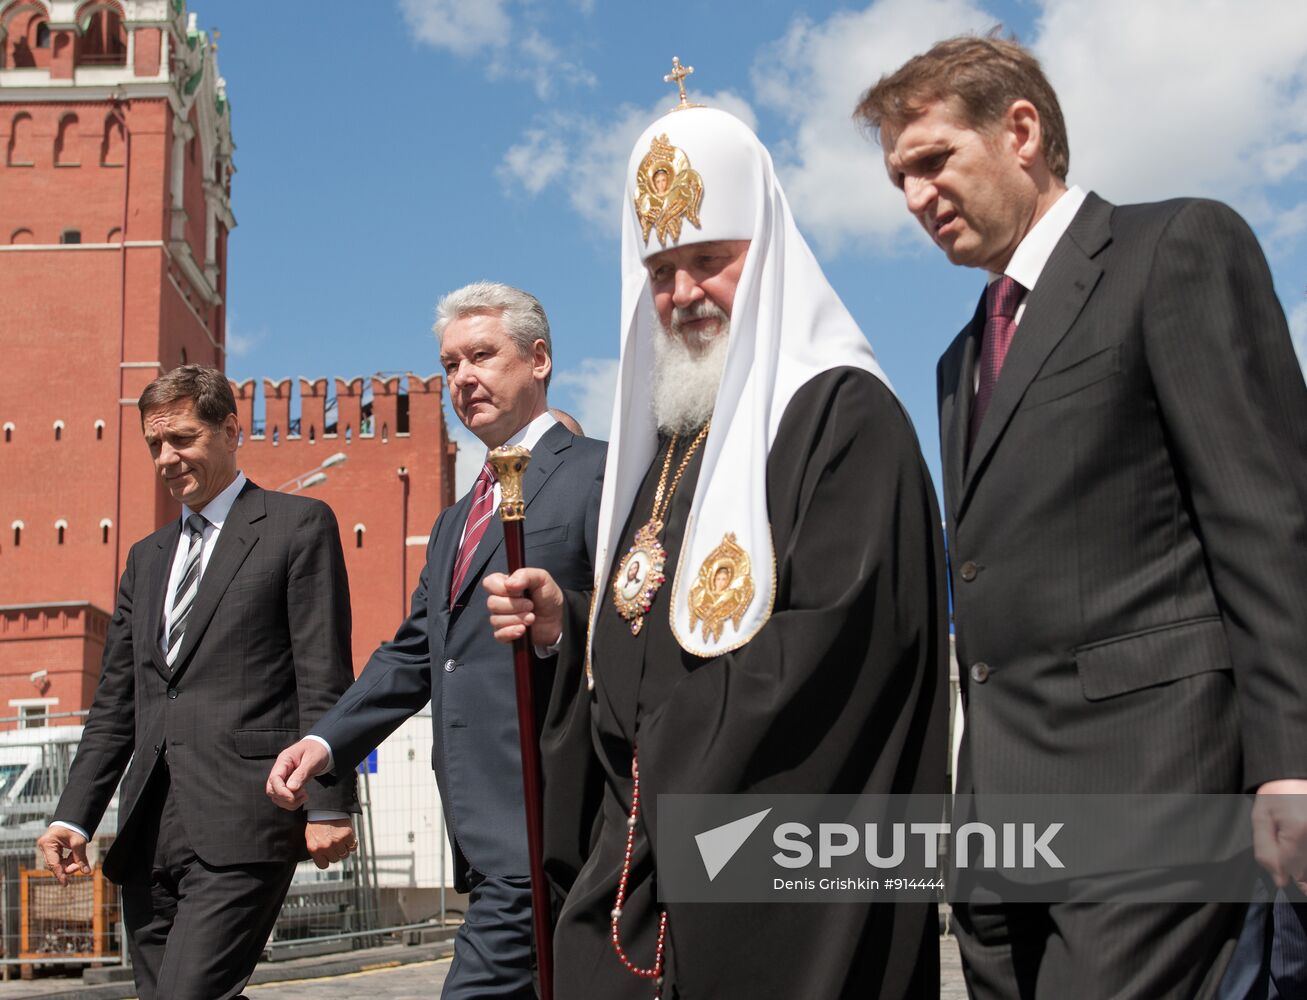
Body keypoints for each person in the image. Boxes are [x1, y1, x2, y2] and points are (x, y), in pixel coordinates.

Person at [856, 33, 1307, 999]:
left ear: (1020, 130)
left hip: (1155, 794)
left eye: (933, 161)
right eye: (899, 178)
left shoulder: (1174, 246)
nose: (914, 199)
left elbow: (1268, 521)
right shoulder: (959, 357)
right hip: (1000, 829)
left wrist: (1291, 765)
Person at [484, 100, 948, 998]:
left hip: (759, 866)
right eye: (660, 271)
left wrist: (663, 736)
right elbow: (661, 610)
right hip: (634, 856)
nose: (682, 293)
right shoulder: (673, 432)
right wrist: (566, 625)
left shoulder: (842, 415)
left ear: (765, 258)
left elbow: (842, 646)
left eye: (708, 262)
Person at [265, 283, 606, 999]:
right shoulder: (454, 523)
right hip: (478, 828)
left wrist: (561, 622)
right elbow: (418, 650)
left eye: (482, 355)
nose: (462, 379)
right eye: (449, 364)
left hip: (555, 813)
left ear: (538, 359)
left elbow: (642, 614)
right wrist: (326, 742)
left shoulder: (598, 474)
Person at [36, 364, 358, 1000]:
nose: (167, 457)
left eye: (182, 438)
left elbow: (323, 674)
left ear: (230, 430)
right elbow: (115, 706)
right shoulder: (146, 558)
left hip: (245, 816)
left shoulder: (297, 526)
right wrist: (74, 818)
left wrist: (328, 802)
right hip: (149, 829)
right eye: (156, 444)